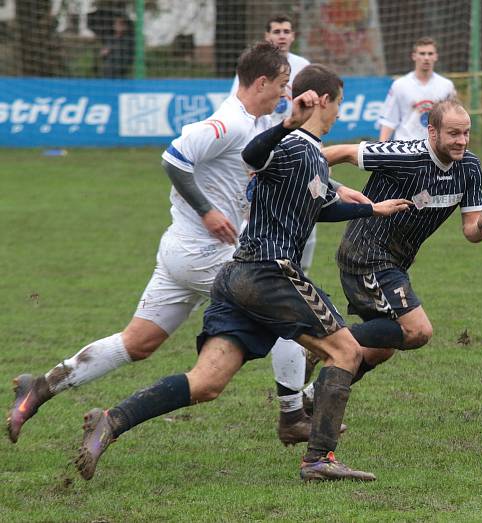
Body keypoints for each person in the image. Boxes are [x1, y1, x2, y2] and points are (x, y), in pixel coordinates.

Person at [5, 42, 359, 447]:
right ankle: (293, 415)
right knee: (284, 312)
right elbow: (174, 158)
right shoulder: (229, 122)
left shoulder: (259, 126)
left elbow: (284, 168)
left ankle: (42, 385)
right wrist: (208, 210)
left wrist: (335, 187)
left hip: (180, 253)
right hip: (207, 254)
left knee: (137, 342)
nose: (284, 93)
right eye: (281, 84)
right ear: (260, 81)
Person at [74, 64, 412, 482]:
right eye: (339, 103)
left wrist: (370, 208)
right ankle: (319, 460)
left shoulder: (311, 158)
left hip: (238, 277)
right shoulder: (292, 144)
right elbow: (253, 154)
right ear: (323, 100)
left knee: (207, 383)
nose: (341, 112)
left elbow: (319, 207)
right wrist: (289, 121)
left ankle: (111, 420)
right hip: (271, 273)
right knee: (345, 352)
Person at [307, 98, 482, 394]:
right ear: (432, 132)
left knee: (381, 348)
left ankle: (311, 398)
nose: (462, 141)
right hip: (366, 253)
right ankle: (324, 339)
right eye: (454, 134)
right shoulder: (404, 154)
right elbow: (344, 152)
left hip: (394, 263)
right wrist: (301, 174)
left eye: (466, 133)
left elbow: (470, 230)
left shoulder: (470, 167)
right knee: (417, 331)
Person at [230, 15, 330, 428]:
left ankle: (295, 408)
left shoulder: (302, 71)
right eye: (276, 31)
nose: (287, 91)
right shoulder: (241, 109)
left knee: (290, 288)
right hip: (257, 211)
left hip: (286, 195)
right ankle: (300, 413)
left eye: (287, 31)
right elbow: (249, 155)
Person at [378, 36, 456, 142]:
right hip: (406, 146)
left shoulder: (446, 86)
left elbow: (452, 120)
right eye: (422, 53)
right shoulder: (400, 85)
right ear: (414, 56)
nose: (426, 58)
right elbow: (389, 121)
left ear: (436, 57)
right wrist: (379, 150)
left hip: (435, 148)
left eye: (430, 54)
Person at [99, 13, 134, 78]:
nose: (117, 26)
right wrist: (104, 52)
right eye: (116, 24)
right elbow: (103, 54)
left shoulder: (127, 40)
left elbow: (127, 58)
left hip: (119, 72)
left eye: (120, 24)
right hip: (107, 72)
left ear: (125, 27)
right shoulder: (110, 38)